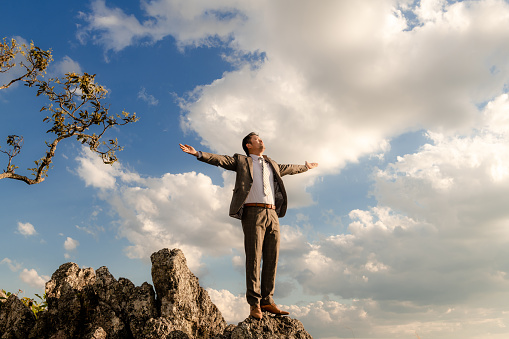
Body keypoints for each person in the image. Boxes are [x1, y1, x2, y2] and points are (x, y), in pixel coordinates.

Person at [179, 132, 318, 319]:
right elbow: (220, 160)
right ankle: (254, 304)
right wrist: (198, 154)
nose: (261, 140)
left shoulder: (272, 164)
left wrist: (305, 167)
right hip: (253, 213)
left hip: (273, 214)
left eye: (261, 138)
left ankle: (267, 301)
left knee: (272, 257)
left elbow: (289, 168)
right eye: (257, 139)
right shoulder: (242, 161)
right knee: (254, 257)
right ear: (248, 145)